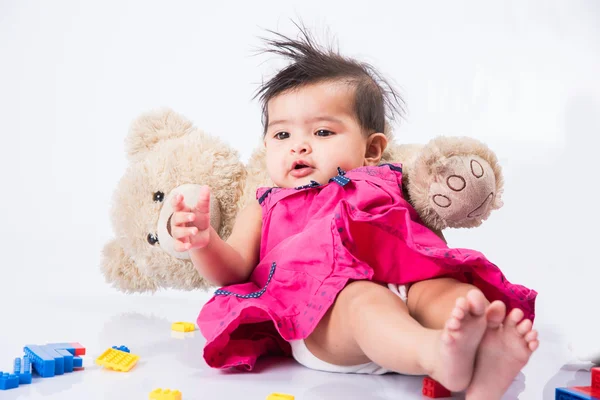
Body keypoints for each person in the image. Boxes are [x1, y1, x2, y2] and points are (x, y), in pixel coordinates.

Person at [169, 28, 538, 399]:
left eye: (323, 132)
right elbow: (233, 270)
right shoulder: (267, 203)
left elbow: (430, 226)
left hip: (410, 286)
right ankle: (435, 353)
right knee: (364, 301)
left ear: (372, 148)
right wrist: (205, 243)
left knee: (447, 293)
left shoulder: (390, 178)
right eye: (282, 136)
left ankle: (482, 348)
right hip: (324, 314)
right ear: (265, 145)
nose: (299, 146)